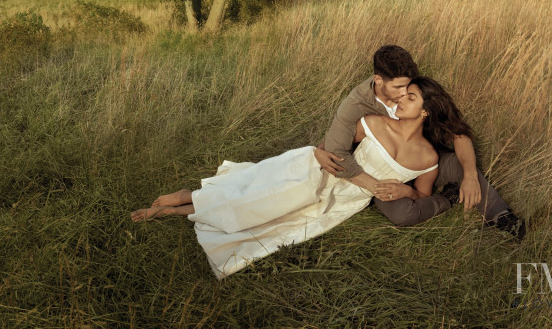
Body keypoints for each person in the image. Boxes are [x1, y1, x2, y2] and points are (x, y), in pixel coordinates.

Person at [131, 77, 468, 279]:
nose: (400, 100)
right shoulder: (375, 123)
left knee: (278, 224)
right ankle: (188, 197)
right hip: (323, 170)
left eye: (410, 98)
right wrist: (320, 152)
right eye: (401, 94)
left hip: (346, 199)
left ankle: (185, 209)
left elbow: (423, 198)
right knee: (266, 193)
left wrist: (405, 191)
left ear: (426, 111)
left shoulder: (428, 158)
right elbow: (333, 144)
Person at [314, 45, 524, 238]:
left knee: (461, 165)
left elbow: (459, 134)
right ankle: (447, 199)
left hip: (423, 161)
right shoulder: (357, 105)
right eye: (398, 88)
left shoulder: (417, 95)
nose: (404, 94)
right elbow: (339, 139)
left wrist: (469, 175)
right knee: (401, 212)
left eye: (409, 89)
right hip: (381, 170)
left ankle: (500, 215)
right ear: (379, 80)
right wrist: (320, 150)